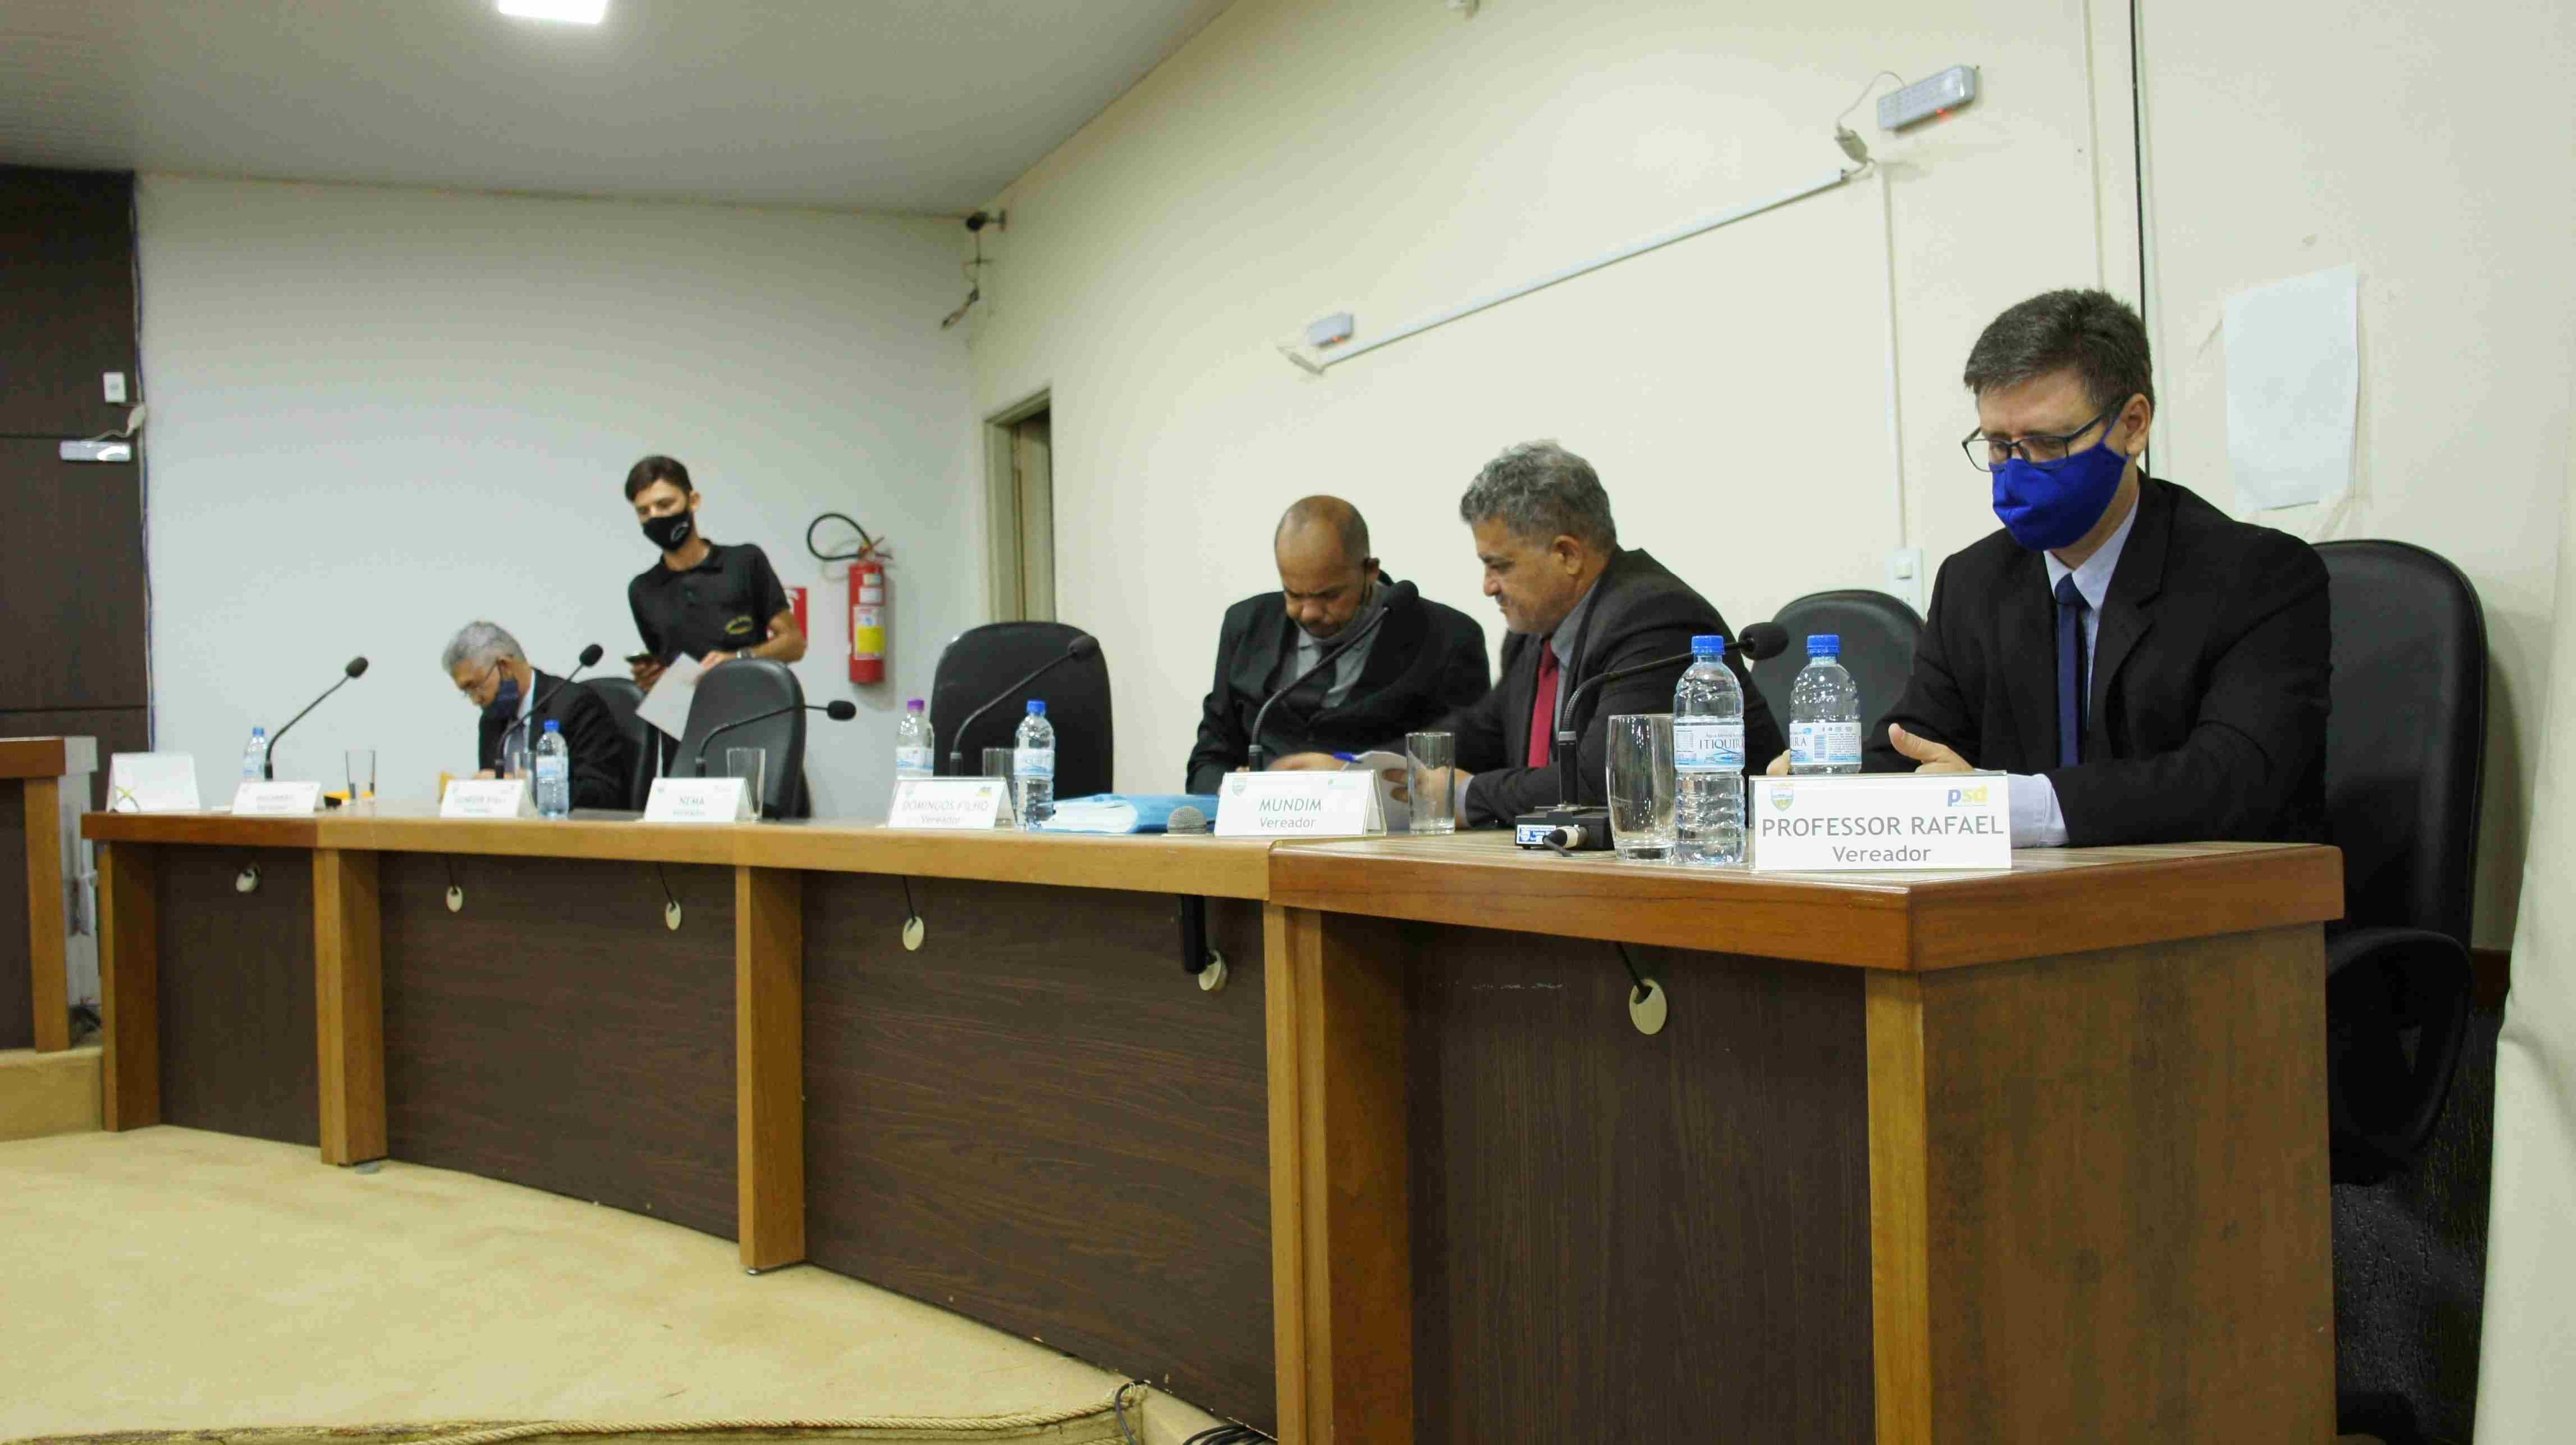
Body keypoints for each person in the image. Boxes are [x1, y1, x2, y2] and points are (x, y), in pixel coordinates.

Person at [1848, 287, 2329, 846]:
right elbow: (1918, 747)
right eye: (1999, 446)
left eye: (2047, 442)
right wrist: (1820, 791)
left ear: (2133, 425)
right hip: (2022, 897)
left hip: (2210, 892)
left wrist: (2009, 806)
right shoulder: (1973, 584)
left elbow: (2231, 779)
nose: (2017, 470)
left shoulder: (2258, 576)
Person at [1283, 441, 1782, 827]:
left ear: (1567, 554)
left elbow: (1603, 783)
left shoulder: (1656, 619)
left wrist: (1464, 795)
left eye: (1499, 566)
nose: (1487, 586)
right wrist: (1358, 770)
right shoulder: (1533, 634)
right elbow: (1481, 732)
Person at [1185, 496, 1490, 793]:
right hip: (1260, 821)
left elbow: (1467, 762)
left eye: (1329, 596)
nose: (1309, 613)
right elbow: (1210, 757)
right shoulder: (1246, 625)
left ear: (1370, 571)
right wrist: (1228, 790)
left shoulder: (1448, 638)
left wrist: (1350, 773)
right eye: (1294, 594)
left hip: (1382, 822)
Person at [623, 455, 807, 692]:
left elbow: (794, 644)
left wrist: (737, 660)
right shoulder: (642, 589)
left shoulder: (744, 562)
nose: (655, 516)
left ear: (693, 501)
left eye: (665, 504)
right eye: (643, 511)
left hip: (753, 705)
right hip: (685, 712)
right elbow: (663, 672)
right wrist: (650, 679)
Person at [442, 621, 630, 811]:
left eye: (475, 686)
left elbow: (603, 794)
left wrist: (521, 788)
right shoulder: (491, 720)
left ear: (505, 667)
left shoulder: (576, 706)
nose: (475, 700)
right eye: (467, 692)